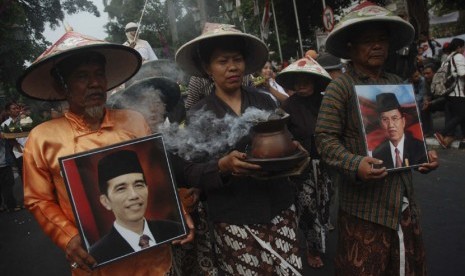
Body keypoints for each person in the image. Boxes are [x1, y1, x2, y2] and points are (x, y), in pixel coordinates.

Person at [18, 30, 193, 275]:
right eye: (82, 76)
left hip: (156, 262)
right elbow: (38, 199)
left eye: (99, 74)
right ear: (63, 86)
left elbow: (158, 178)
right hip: (96, 265)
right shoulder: (42, 138)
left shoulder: (134, 121)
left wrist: (177, 211)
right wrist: (67, 237)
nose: (95, 83)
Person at [316, 2, 438, 275]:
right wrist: (354, 163)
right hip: (365, 209)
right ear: (350, 47)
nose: (377, 46)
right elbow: (324, 139)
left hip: (403, 202)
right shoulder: (341, 87)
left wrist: (425, 155)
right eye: (367, 41)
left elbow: (412, 132)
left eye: (381, 40)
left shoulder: (396, 81)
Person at [176, 22, 304, 275]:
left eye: (237, 59)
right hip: (233, 216)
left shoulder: (264, 100)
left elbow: (285, 136)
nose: (232, 67)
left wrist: (291, 149)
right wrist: (222, 167)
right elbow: (188, 170)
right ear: (207, 68)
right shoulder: (198, 114)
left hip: (278, 208)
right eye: (222, 61)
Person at [276, 56, 333, 268]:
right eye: (297, 82)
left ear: (316, 82)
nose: (301, 86)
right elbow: (279, 130)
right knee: (307, 206)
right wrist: (291, 142)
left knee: (325, 203)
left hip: (326, 163)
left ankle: (320, 237)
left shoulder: (327, 101)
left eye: (306, 81)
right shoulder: (287, 105)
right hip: (301, 166)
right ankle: (312, 248)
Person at [89, 150, 184, 265]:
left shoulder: (174, 230)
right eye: (121, 189)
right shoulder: (97, 255)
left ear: (147, 189)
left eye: (139, 185)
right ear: (105, 201)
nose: (134, 195)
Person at [372, 93, 428, 169]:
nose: (391, 125)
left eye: (394, 118)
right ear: (380, 124)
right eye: (385, 120)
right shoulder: (377, 154)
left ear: (403, 122)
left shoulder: (420, 147)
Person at [434, 38, 465, 149]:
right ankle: (442, 133)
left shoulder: (447, 58)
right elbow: (462, 73)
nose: (463, 49)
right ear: (459, 47)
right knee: (461, 115)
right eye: (463, 47)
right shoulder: (458, 56)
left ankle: (463, 137)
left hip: (449, 92)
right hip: (458, 91)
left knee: (459, 115)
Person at [1, 102, 27, 177]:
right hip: (19, 153)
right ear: (8, 111)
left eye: (18, 108)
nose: (17, 110)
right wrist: (21, 151)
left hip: (31, 149)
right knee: (24, 174)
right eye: (14, 108)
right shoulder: (5, 124)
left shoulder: (24, 119)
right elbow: (11, 140)